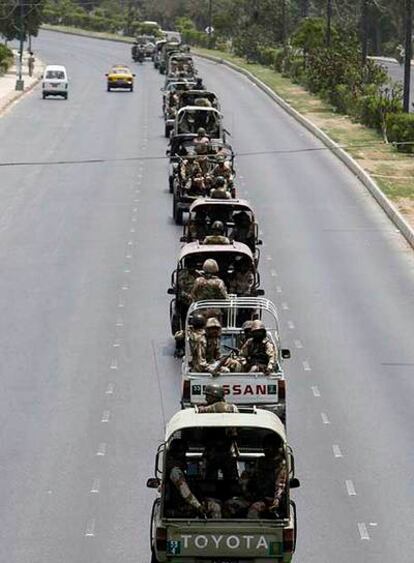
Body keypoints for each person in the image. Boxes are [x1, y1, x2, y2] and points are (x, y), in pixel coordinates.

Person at [166, 438, 222, 518]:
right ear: (177, 454)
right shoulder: (175, 471)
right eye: (183, 453)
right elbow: (185, 491)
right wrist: (198, 506)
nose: (185, 456)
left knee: (218, 502)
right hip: (181, 506)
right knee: (216, 507)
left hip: (184, 503)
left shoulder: (176, 470)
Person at [246, 434, 287, 519]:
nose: (267, 450)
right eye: (265, 447)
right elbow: (250, 479)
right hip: (256, 497)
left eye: (270, 447)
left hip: (272, 501)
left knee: (254, 508)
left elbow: (280, 485)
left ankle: (253, 531)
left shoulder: (282, 466)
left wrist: (276, 500)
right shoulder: (259, 462)